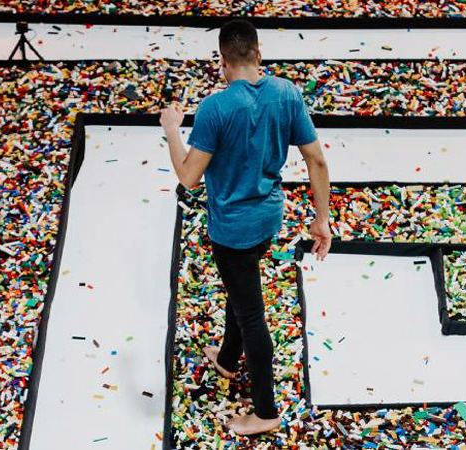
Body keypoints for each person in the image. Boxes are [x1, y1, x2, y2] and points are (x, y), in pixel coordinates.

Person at [158, 19, 332, 436]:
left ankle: (266, 412)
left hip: (232, 228)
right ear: (258, 54)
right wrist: (321, 219)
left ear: (222, 62)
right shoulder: (286, 93)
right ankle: (227, 357)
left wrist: (170, 131)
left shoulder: (216, 109)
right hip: (268, 216)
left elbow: (188, 177)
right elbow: (317, 161)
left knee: (252, 314)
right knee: (242, 289)